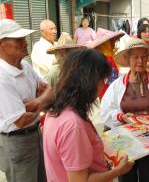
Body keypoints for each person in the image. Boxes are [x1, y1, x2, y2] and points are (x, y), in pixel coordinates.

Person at [43, 49, 133, 182]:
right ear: (90, 81)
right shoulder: (73, 125)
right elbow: (80, 180)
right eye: (103, 79)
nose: (104, 84)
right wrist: (118, 171)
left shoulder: (55, 111)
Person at [100, 37, 149, 182]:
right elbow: (106, 110)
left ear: (148, 58)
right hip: (125, 141)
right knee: (127, 177)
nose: (140, 61)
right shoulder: (117, 85)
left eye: (143, 56)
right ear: (128, 59)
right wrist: (121, 117)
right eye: (135, 57)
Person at [0, 19, 53, 182]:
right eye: (18, 40)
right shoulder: (2, 76)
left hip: (36, 133)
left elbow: (50, 90)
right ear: (2, 44)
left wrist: (34, 103)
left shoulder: (25, 66)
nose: (25, 43)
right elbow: (21, 120)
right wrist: (43, 100)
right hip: (17, 140)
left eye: (23, 38)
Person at [91, 28, 124, 98]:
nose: (114, 43)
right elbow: (112, 80)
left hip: (102, 91)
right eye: (111, 41)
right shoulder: (108, 59)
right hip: (109, 93)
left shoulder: (99, 57)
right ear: (106, 44)